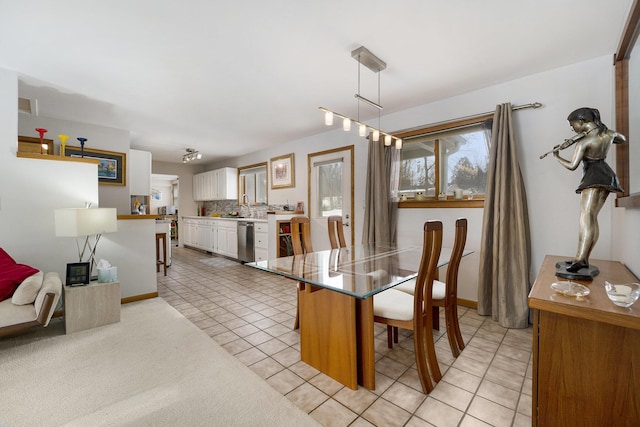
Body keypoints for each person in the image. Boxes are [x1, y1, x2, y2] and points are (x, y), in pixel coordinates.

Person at [553, 107, 625, 272]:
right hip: (607, 176)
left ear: (582, 121)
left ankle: (580, 259)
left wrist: (557, 157)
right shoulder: (607, 133)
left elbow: (572, 166)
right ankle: (583, 258)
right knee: (592, 218)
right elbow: (621, 138)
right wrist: (605, 134)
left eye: (573, 125)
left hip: (592, 177)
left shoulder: (584, 142)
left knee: (586, 218)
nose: (572, 129)